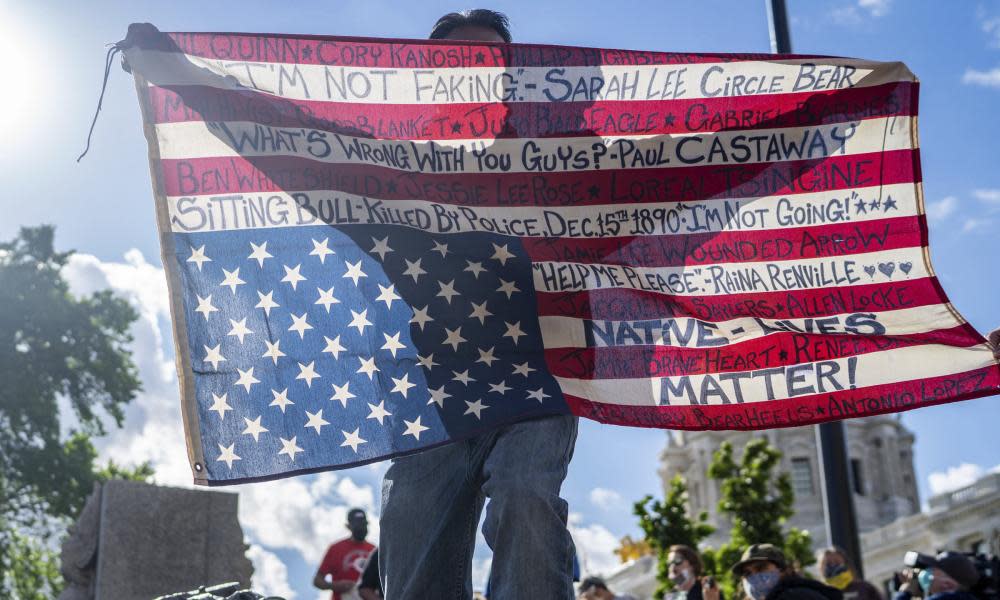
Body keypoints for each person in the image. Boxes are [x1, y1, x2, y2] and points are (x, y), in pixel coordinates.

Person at [377, 11, 581, 600]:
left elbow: (663, 179)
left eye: (489, 62)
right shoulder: (391, 166)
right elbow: (291, 144)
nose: (472, 73)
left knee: (524, 497)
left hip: (540, 381)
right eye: (454, 62)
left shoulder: (557, 155)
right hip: (432, 393)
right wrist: (183, 77)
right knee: (412, 540)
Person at [732, 544, 843, 600]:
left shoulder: (796, 596)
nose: (755, 576)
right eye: (747, 573)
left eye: (761, 568)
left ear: (783, 570)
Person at [314, 508, 376, 600]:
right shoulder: (335, 548)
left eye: (363, 524)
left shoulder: (375, 551)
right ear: (348, 526)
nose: (361, 528)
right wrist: (336, 585)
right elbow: (317, 580)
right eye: (358, 525)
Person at [893, 552, 979, 600]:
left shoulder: (950, 597)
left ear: (948, 584)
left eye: (930, 571)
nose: (923, 576)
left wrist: (905, 592)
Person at [817, 547, 883, 600]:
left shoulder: (864, 588)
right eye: (828, 564)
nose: (833, 565)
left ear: (847, 565)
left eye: (837, 562)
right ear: (821, 568)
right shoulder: (820, 593)